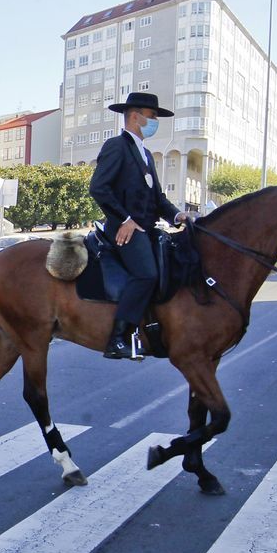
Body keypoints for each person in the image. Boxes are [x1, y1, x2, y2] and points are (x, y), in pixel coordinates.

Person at [89, 92, 193, 359]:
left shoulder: (145, 153)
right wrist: (124, 219)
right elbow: (99, 187)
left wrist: (177, 216)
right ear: (134, 116)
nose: (155, 122)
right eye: (152, 117)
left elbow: (157, 198)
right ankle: (118, 338)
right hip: (123, 229)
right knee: (147, 274)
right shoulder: (116, 146)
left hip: (146, 228)